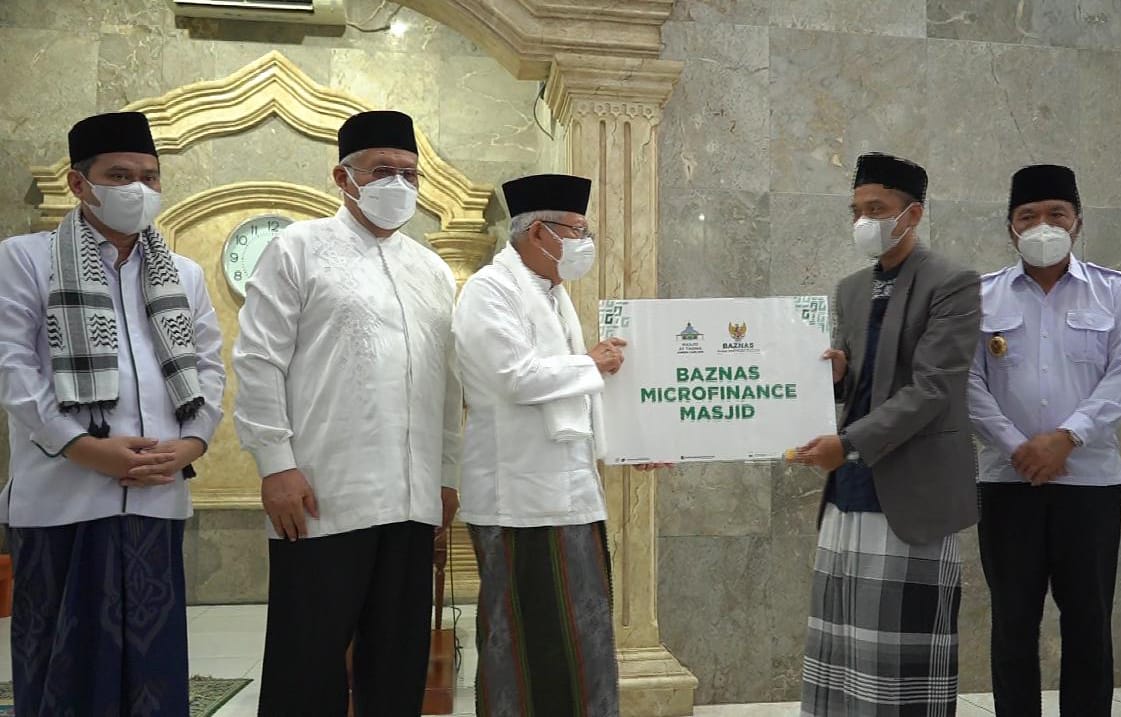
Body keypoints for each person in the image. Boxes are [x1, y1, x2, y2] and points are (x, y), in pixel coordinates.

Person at [233, 110, 463, 716]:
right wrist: (275, 464)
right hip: (320, 496)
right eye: (383, 170)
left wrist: (446, 475)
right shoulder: (298, 249)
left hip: (412, 500)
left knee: (398, 661)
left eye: (410, 173)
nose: (399, 184)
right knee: (306, 663)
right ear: (343, 176)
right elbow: (257, 361)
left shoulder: (433, 270)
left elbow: (446, 385)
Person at [0, 111, 226, 715]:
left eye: (150, 176)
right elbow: (13, 368)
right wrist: (81, 445)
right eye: (120, 175)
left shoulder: (184, 274)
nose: (139, 189)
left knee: (150, 667)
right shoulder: (25, 259)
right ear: (80, 184)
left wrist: (194, 443)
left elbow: (208, 369)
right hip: (63, 497)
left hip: (157, 494)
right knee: (64, 666)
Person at [793, 152, 982, 716]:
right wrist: (837, 375)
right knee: (844, 643)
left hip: (911, 492)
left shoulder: (952, 283)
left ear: (913, 213)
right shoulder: (850, 289)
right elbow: (861, 378)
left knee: (900, 659)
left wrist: (847, 443)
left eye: (876, 208)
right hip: (849, 490)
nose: (863, 221)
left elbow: (933, 390)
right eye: (856, 209)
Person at [453, 173, 648, 716]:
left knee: (582, 637)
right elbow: (514, 376)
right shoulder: (490, 291)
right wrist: (591, 362)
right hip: (517, 498)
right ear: (538, 233)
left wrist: (631, 446)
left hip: (568, 495)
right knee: (522, 638)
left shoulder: (553, 295)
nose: (584, 244)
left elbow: (583, 395)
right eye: (576, 231)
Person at [968, 164, 1121, 716]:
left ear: (1076, 222)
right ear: (1010, 227)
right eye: (1028, 216)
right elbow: (965, 381)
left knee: (1089, 622)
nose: (1042, 225)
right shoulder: (980, 296)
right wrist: (1016, 445)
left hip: (1089, 482)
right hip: (1007, 480)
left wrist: (1066, 439)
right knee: (1013, 622)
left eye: (1056, 215)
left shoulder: (1114, 292)